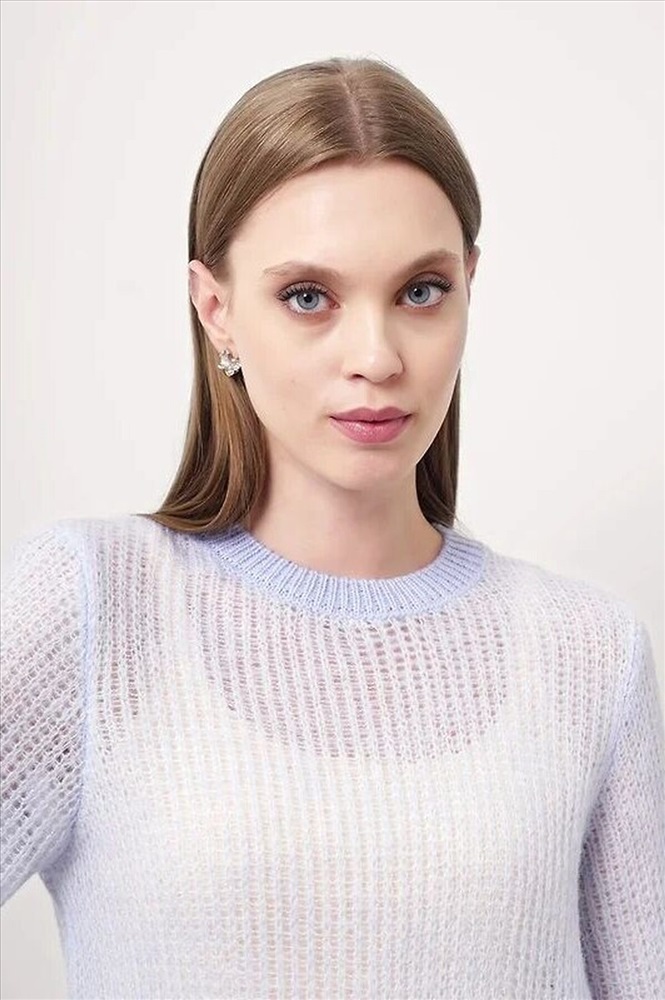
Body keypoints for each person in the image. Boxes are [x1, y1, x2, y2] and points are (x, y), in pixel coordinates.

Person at [1, 55, 663, 1000]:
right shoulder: (94, 611)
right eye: (307, 297)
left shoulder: (587, 655)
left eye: (420, 291)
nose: (376, 357)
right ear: (216, 310)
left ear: (469, 287)